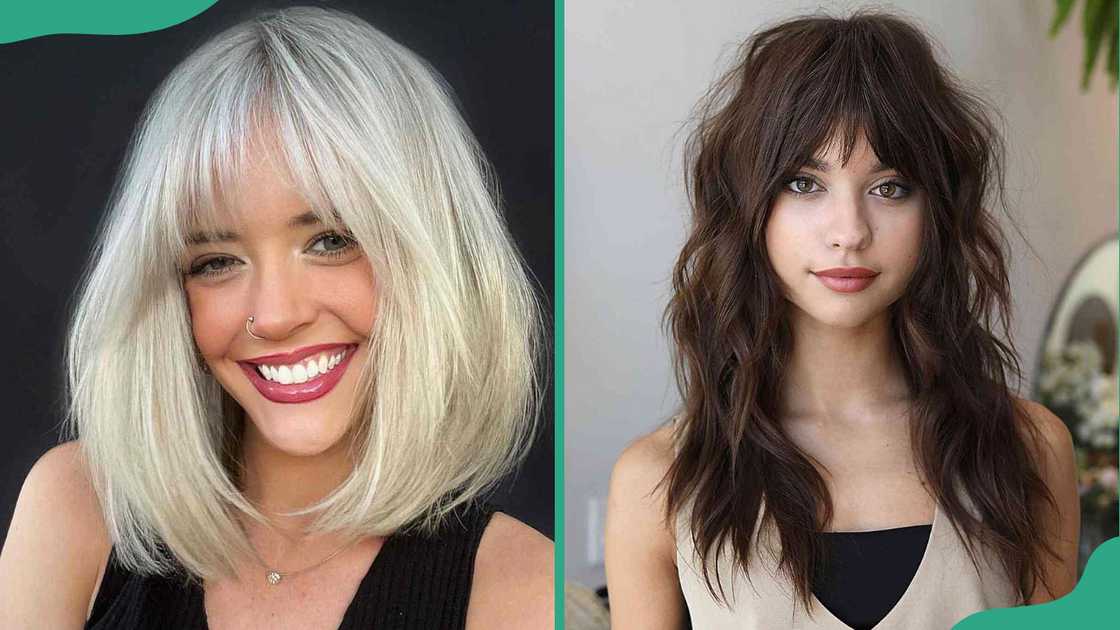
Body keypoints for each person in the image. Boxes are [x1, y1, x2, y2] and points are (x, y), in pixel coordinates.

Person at [0, 6, 551, 629]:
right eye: (215, 260)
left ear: (433, 254)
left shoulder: (526, 591)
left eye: (331, 241)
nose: (275, 315)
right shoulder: (78, 510)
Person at [605, 10, 1079, 630]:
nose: (849, 233)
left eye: (890, 187)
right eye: (805, 184)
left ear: (936, 207)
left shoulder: (1028, 449)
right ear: (751, 204)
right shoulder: (660, 481)